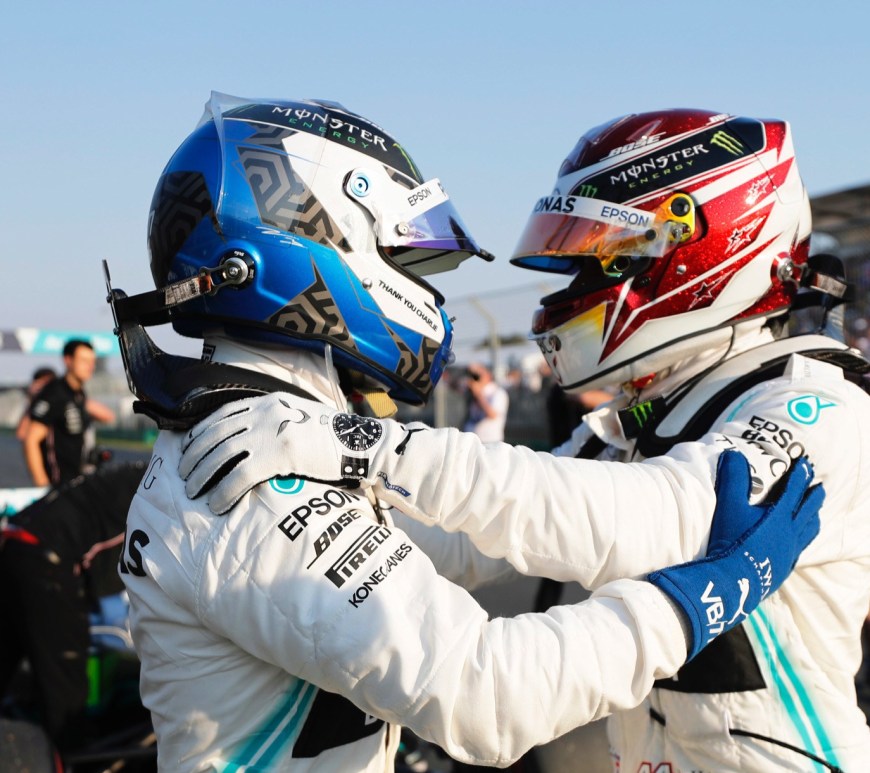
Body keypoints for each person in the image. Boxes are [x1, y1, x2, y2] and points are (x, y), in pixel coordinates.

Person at [109, 94, 820, 772]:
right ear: (299, 247)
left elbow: (457, 541)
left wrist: (373, 449)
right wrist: (699, 599)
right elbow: (491, 695)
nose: (423, 287)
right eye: (401, 255)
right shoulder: (251, 468)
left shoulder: (267, 431)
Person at [0, 461, 146, 753]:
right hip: (47, 557)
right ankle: (69, 757)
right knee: (66, 689)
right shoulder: (163, 490)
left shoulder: (141, 471)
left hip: (16, 540)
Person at [22, 339, 116, 487]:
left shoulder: (79, 394)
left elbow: (108, 417)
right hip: (58, 486)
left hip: (77, 483)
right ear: (68, 360)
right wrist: (43, 486)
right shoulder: (55, 393)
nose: (90, 366)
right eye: (84, 361)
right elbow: (31, 440)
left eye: (92, 361)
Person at [462, 362, 509, 442]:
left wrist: (478, 395)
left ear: (488, 376)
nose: (474, 379)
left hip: (489, 441)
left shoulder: (498, 393)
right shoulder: (472, 393)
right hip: (471, 440)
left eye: (477, 376)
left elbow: (493, 415)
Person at [14, 367, 56, 442]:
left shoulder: (62, 405)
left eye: (47, 384)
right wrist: (34, 400)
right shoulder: (32, 408)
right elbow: (21, 434)